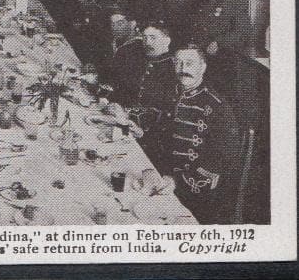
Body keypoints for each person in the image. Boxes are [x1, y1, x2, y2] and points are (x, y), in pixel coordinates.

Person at [154, 45, 240, 224]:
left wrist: (177, 182)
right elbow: (159, 123)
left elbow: (221, 159)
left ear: (203, 67)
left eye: (190, 63)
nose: (183, 69)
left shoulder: (217, 107)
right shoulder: (174, 92)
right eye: (178, 63)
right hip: (164, 175)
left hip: (195, 192)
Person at [192, 0, 248, 89]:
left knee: (219, 93)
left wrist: (219, 42)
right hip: (198, 55)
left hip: (222, 58)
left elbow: (242, 31)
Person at [131, 23, 178, 137]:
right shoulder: (144, 59)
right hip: (130, 123)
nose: (147, 43)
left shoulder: (174, 70)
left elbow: (168, 112)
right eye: (145, 38)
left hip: (150, 135)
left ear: (167, 41)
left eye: (153, 38)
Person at [103, 13, 146, 107]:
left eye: (120, 23)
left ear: (132, 24)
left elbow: (129, 85)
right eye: (112, 24)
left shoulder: (139, 48)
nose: (114, 28)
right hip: (108, 96)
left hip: (122, 104)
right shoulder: (115, 41)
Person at [65, 0, 107, 68]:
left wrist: (90, 64)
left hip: (91, 63)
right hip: (77, 53)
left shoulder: (96, 9)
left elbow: (99, 44)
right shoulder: (79, 5)